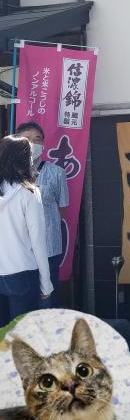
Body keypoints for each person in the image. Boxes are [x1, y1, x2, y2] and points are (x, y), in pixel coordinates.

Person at [15, 121, 69, 308]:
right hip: (18, 251)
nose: (32, 143)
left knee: (46, 301)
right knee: (20, 303)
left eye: (37, 139)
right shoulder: (8, 174)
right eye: (27, 139)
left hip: (48, 248)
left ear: (44, 144)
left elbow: (61, 209)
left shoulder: (57, 173)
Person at [0, 135, 53, 325]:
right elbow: (38, 240)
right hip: (22, 272)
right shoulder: (29, 192)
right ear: (23, 160)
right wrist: (46, 283)